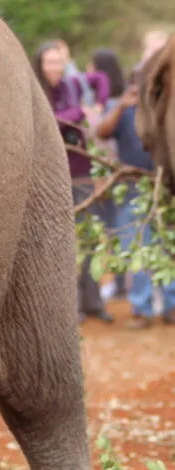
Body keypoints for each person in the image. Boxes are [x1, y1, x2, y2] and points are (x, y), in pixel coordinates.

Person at [33, 41, 113, 324]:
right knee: (63, 245)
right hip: (51, 179)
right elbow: (49, 121)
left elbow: (102, 78)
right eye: (49, 62)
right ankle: (70, 307)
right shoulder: (35, 91)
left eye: (58, 61)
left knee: (90, 241)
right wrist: (79, 112)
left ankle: (93, 302)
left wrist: (99, 102)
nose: (54, 67)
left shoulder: (73, 84)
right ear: (40, 64)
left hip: (82, 175)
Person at [95, 76, 175, 329]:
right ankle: (142, 308)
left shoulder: (163, 108)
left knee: (166, 247)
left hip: (163, 186)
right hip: (131, 187)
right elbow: (101, 132)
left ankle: (171, 306)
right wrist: (120, 106)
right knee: (137, 247)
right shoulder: (122, 108)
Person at [86, 48, 126, 300]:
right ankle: (120, 282)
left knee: (112, 231)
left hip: (108, 176)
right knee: (119, 230)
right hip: (120, 176)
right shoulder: (124, 99)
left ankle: (118, 282)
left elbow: (105, 145)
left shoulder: (109, 106)